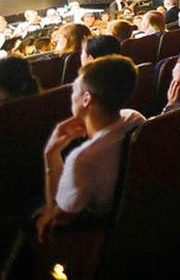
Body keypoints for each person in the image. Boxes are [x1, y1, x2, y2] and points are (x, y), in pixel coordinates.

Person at [35, 57, 145, 240]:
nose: (72, 96)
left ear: (87, 99)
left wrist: (51, 153)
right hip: (131, 213)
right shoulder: (135, 117)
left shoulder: (84, 159)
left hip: (97, 230)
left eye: (74, 91)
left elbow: (56, 216)